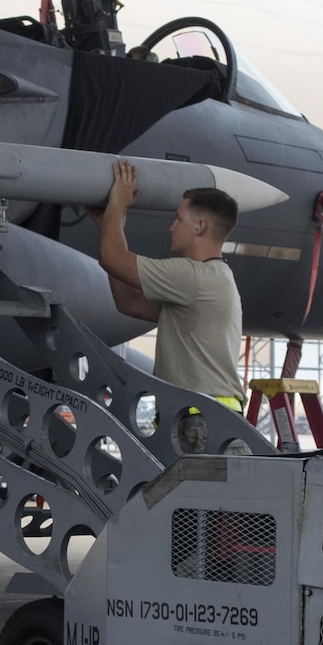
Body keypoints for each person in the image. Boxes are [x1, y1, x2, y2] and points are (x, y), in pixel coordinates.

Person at [90, 160, 244, 452]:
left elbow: (112, 257)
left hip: (199, 421)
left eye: (179, 218)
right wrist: (110, 224)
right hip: (207, 419)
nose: (172, 226)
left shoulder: (193, 277)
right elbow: (129, 302)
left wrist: (119, 204)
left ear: (200, 226)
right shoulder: (212, 279)